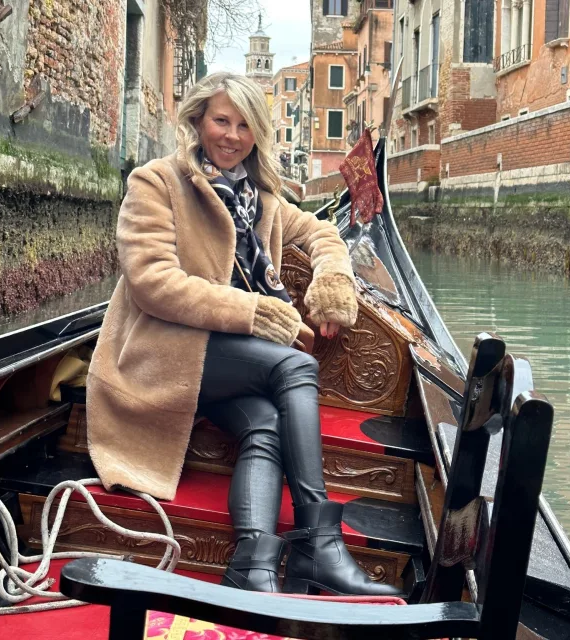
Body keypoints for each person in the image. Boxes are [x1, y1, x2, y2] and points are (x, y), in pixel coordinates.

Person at [86, 72, 401, 597]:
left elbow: (323, 232)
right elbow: (152, 283)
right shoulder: (156, 182)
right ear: (198, 122)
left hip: (222, 360)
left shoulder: (262, 200)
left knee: (264, 423)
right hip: (160, 354)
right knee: (296, 365)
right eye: (220, 120)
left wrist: (331, 280)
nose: (231, 135)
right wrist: (254, 311)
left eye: (243, 125)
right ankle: (318, 545)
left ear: (257, 132)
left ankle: (252, 568)